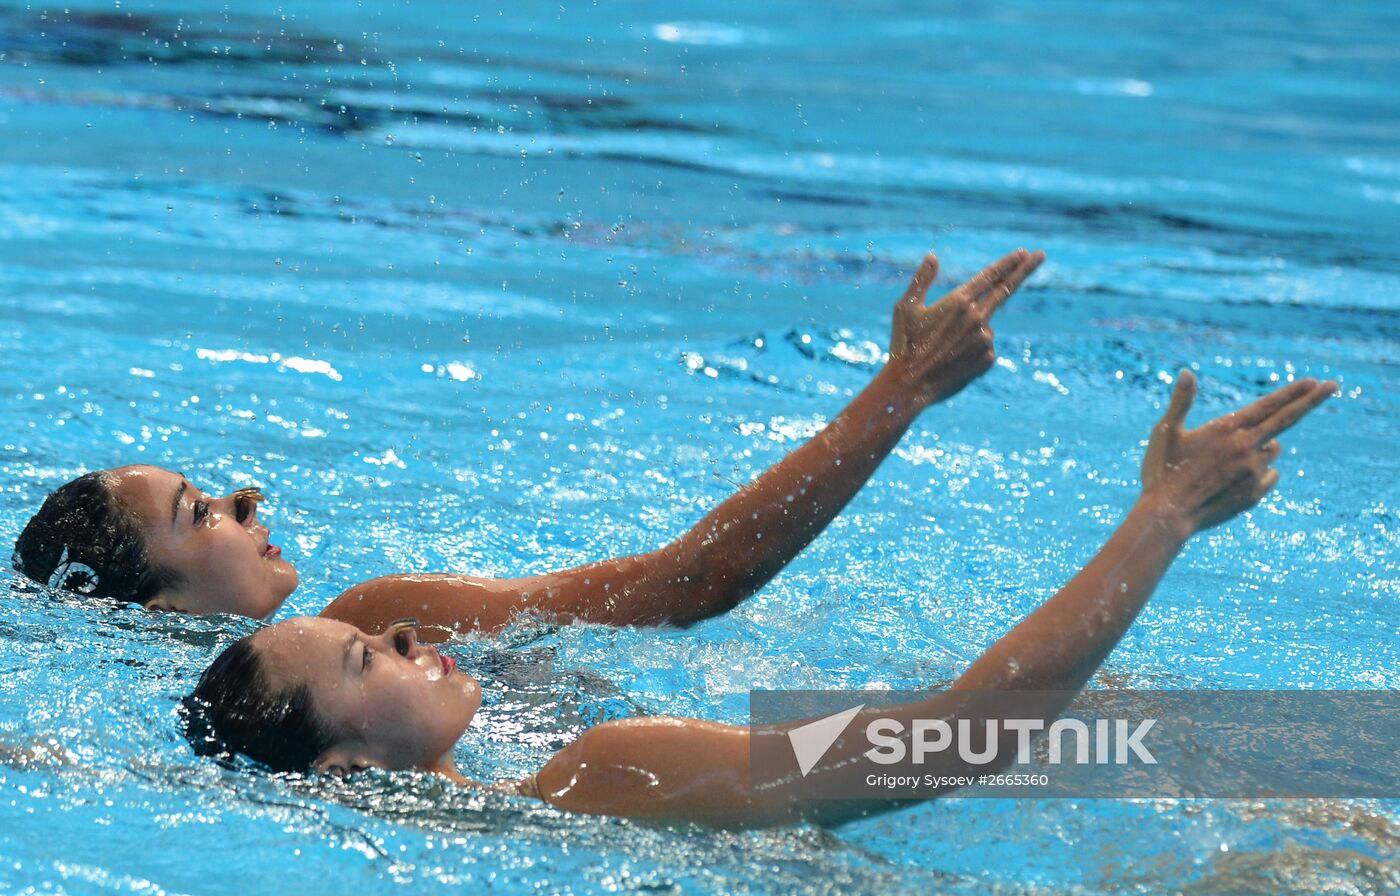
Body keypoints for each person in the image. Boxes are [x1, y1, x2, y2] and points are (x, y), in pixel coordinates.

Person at [183, 373, 1335, 827]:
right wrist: (1163, 516)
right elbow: (961, 732)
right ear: (347, 770)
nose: (393, 625)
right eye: (359, 659)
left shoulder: (532, 813)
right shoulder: (603, 770)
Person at [12, 249, 1044, 639]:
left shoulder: (212, 735)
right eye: (204, 510)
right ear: (161, 606)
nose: (246, 498)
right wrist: (895, 395)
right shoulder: (375, 625)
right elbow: (693, 580)